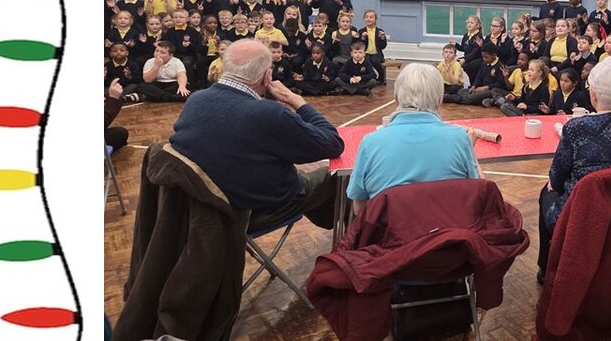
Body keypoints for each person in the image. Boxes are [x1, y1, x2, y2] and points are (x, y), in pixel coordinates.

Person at [170, 39, 344, 232]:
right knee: (336, 175)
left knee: (294, 173)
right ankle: (350, 235)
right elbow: (333, 144)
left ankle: (329, 221)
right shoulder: (268, 114)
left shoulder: (195, 99)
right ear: (267, 75)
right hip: (254, 210)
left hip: (206, 206)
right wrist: (297, 101)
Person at [536, 57, 611, 282]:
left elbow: (556, 178)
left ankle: (547, 267)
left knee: (547, 192)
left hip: (583, 216)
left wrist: (554, 184)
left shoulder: (576, 127)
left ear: (594, 95)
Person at [346, 63, 479, 217]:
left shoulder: (370, 143)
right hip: (447, 229)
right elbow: (478, 196)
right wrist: (470, 150)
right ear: (440, 101)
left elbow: (359, 208)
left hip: (388, 231)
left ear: (396, 98)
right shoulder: (460, 139)